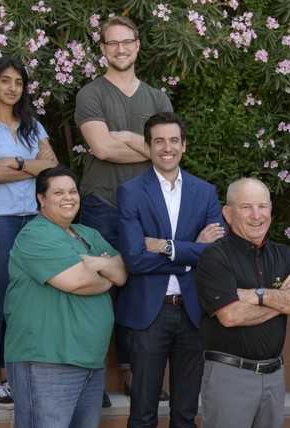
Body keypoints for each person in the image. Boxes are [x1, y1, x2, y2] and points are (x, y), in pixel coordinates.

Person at [75, 15, 174, 401]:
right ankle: (93, 382)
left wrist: (132, 138)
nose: (120, 48)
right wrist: (148, 149)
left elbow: (167, 155)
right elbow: (101, 148)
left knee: (142, 289)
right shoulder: (91, 94)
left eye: (127, 41)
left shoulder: (157, 98)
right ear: (103, 49)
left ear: (137, 45)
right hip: (103, 204)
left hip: (147, 208)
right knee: (101, 290)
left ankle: (137, 376)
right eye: (112, 43)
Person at [116, 112, 225, 428]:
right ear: (148, 147)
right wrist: (191, 255)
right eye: (159, 141)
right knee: (143, 412)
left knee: (185, 413)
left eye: (174, 140)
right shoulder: (130, 192)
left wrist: (165, 247)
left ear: (184, 145)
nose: (167, 147)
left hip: (193, 314)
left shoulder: (205, 192)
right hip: (150, 314)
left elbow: (214, 254)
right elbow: (134, 258)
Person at [4, 166, 127, 428]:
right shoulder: (35, 235)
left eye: (72, 191)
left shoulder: (87, 233)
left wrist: (101, 268)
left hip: (90, 363)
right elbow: (77, 281)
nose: (68, 197)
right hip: (47, 362)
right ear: (41, 199)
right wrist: (103, 271)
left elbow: (121, 272)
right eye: (58, 192)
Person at [0, 57, 59, 410]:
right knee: (0, 296)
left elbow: (52, 168)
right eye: (5, 80)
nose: (12, 87)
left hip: (32, 219)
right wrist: (30, 167)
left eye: (18, 82)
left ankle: (19, 376)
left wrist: (15, 163)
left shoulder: (34, 126)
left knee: (28, 298)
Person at [195, 178, 290, 428]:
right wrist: (283, 299)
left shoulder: (283, 255)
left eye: (262, 206)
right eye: (247, 207)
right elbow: (231, 316)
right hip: (230, 376)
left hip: (274, 378)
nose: (256, 215)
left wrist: (258, 295)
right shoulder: (214, 258)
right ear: (228, 213)